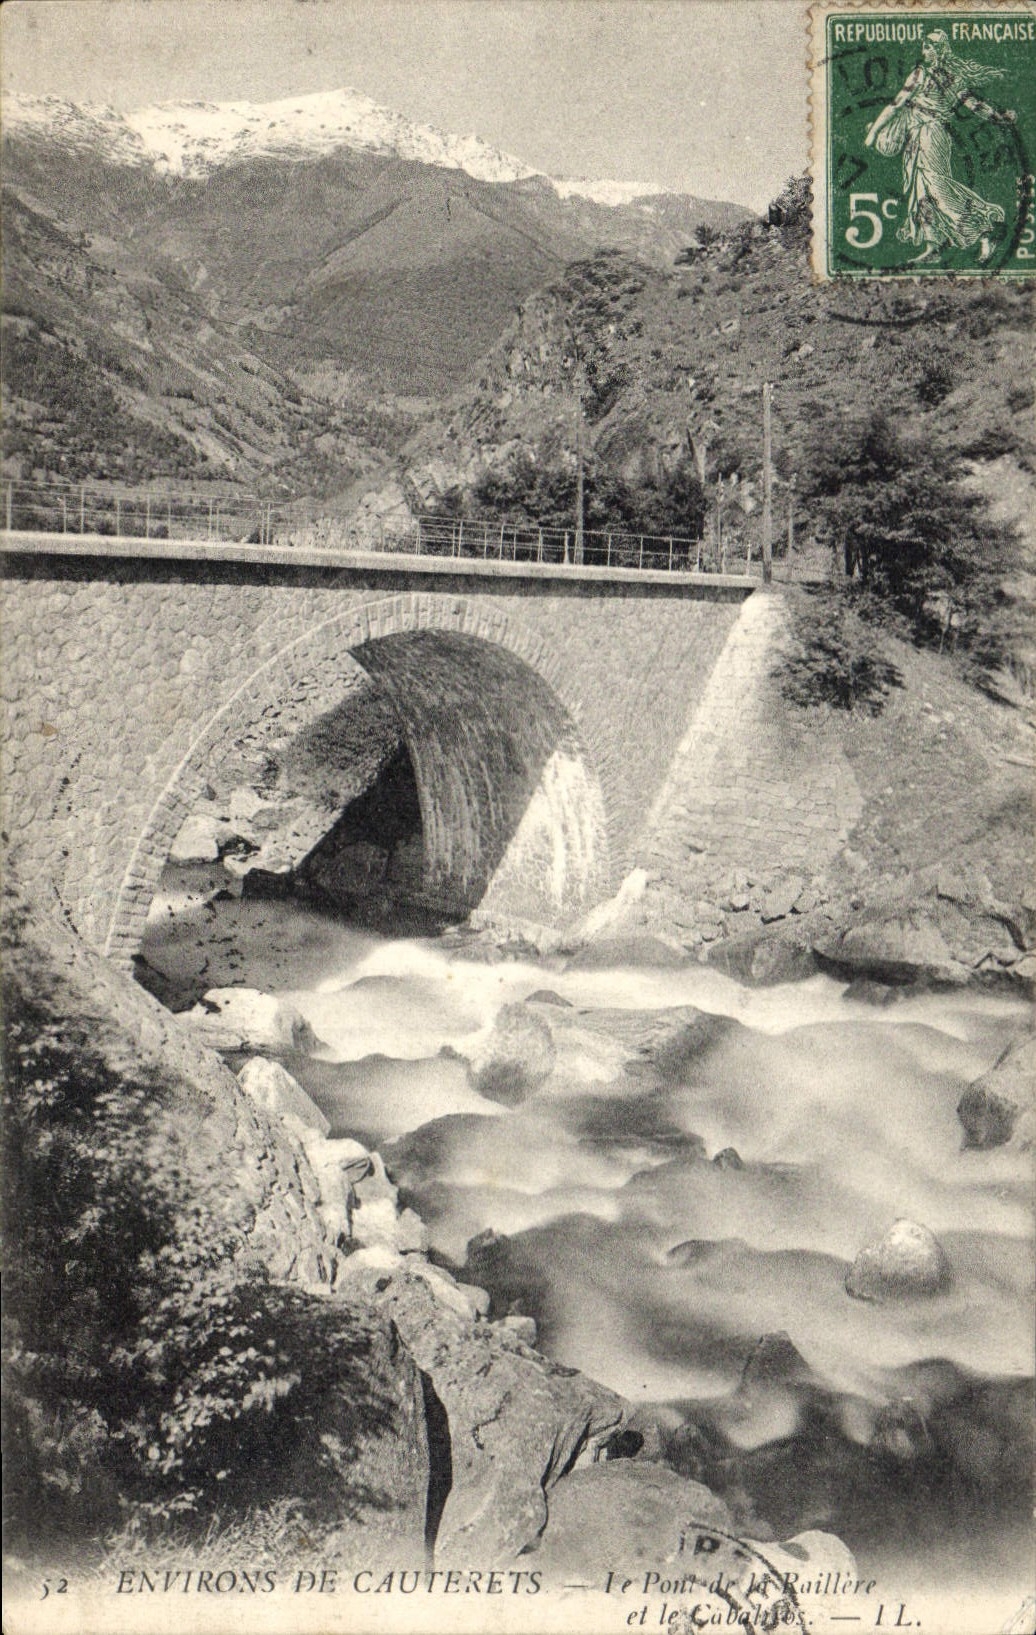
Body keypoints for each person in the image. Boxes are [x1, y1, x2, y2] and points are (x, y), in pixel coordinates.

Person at [864, 29, 1017, 263]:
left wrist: (874, 132)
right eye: (924, 46)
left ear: (939, 51)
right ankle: (933, 247)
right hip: (919, 136)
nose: (923, 51)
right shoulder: (939, 77)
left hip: (930, 134)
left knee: (937, 189)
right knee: (920, 191)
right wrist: (1000, 117)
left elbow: (896, 105)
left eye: (928, 47)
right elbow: (974, 106)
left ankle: (986, 229)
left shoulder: (927, 76)